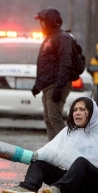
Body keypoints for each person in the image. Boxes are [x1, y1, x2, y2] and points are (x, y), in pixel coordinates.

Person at [2, 97, 98, 193]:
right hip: (74, 183)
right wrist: (32, 156)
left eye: (82, 110)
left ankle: (58, 189)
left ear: (92, 112)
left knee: (81, 161)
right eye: (75, 110)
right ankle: (28, 188)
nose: (77, 113)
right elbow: (49, 152)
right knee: (39, 163)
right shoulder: (68, 132)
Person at [31, 7, 74, 141]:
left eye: (42, 21)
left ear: (49, 21)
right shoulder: (49, 38)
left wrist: (59, 86)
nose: (40, 24)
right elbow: (45, 64)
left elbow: (65, 63)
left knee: (55, 119)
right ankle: (53, 151)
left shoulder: (62, 38)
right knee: (49, 120)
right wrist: (38, 85)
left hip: (56, 85)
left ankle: (67, 150)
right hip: (48, 86)